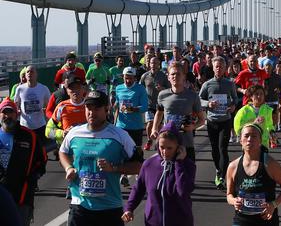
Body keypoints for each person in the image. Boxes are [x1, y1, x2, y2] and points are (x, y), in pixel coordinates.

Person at [60, 90, 142, 226]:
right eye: (89, 108)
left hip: (109, 209)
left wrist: (114, 168)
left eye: (97, 108)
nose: (92, 112)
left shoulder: (120, 136)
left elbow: (139, 166)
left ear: (106, 109)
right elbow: (63, 152)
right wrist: (69, 168)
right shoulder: (74, 133)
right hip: (79, 207)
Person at [123, 122, 195, 226]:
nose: (164, 151)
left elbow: (183, 191)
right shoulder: (149, 164)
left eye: (169, 148)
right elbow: (138, 189)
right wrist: (129, 208)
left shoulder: (188, 165)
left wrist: (179, 164)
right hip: (153, 222)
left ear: (178, 147)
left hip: (180, 221)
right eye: (162, 147)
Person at [226, 123, 281, 226]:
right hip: (241, 221)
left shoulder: (270, 164)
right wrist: (234, 201)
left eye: (254, 136)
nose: (249, 139)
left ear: (260, 141)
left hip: (266, 221)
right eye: (246, 136)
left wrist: (273, 205)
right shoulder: (233, 166)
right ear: (240, 140)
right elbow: (229, 195)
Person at [0, 98, 47, 226]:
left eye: (11, 112)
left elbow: (42, 160)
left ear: (17, 114)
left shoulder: (30, 136)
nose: (7, 116)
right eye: (4, 112)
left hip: (21, 195)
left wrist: (33, 177)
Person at [151, 61, 205, 161]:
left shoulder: (192, 95)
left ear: (184, 76)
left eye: (178, 74)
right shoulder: (162, 95)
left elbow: (202, 120)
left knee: (187, 175)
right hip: (168, 145)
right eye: (173, 74)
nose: (175, 76)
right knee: (167, 175)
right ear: (168, 77)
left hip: (186, 144)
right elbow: (159, 113)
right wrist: (154, 128)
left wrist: (193, 127)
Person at [199, 56, 238, 189]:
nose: (219, 69)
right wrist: (208, 103)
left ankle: (222, 176)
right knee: (215, 149)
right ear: (213, 68)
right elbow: (199, 100)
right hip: (212, 121)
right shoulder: (207, 84)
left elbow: (235, 99)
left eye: (221, 66)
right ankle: (218, 170)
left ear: (225, 68)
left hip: (225, 120)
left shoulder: (230, 83)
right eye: (217, 66)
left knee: (223, 148)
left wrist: (232, 106)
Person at [113, 66, 148, 187]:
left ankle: (139, 171)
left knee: (137, 151)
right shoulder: (118, 88)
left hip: (136, 126)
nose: (128, 81)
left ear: (135, 78)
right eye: (126, 78)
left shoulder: (140, 89)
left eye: (130, 78)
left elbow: (145, 107)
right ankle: (124, 175)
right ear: (123, 77)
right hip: (121, 125)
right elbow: (117, 105)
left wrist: (133, 109)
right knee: (121, 151)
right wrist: (114, 122)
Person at [14, 64, 51, 148]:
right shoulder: (20, 88)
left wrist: (46, 110)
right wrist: (17, 110)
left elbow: (49, 106)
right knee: (26, 151)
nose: (29, 73)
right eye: (27, 72)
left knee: (40, 150)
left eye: (32, 71)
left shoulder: (43, 89)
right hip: (25, 126)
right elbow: (16, 104)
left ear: (36, 74)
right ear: (25, 75)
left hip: (40, 126)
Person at [140, 56, 170, 151]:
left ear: (159, 65)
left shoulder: (163, 76)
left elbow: (169, 89)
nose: (153, 65)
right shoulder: (145, 76)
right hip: (149, 104)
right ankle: (149, 140)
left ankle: (158, 142)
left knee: (159, 126)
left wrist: (162, 89)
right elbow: (140, 88)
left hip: (160, 105)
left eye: (155, 63)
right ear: (149, 64)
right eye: (151, 63)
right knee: (150, 123)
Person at [234, 85, 275, 150]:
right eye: (256, 94)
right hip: (248, 143)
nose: (259, 96)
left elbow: (269, 125)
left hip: (263, 143)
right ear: (251, 97)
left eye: (261, 94)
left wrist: (272, 133)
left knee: (263, 160)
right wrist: (253, 123)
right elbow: (238, 128)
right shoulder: (244, 111)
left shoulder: (268, 110)